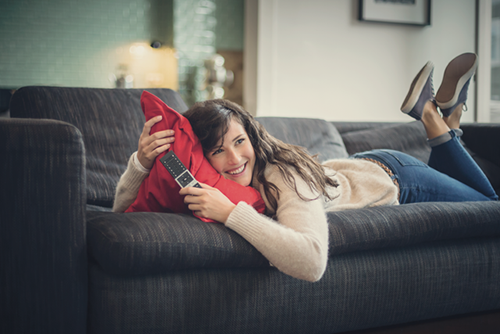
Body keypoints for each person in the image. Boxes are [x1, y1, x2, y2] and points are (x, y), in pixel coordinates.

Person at [113, 52, 497, 282]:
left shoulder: (283, 175)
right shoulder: (209, 177)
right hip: (354, 169)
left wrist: (232, 213)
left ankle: (430, 115)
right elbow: (119, 214)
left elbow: (312, 262)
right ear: (202, 156)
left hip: (396, 178)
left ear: (253, 135)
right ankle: (452, 119)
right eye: (217, 151)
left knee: (490, 205)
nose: (234, 159)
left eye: (239, 141)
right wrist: (142, 162)